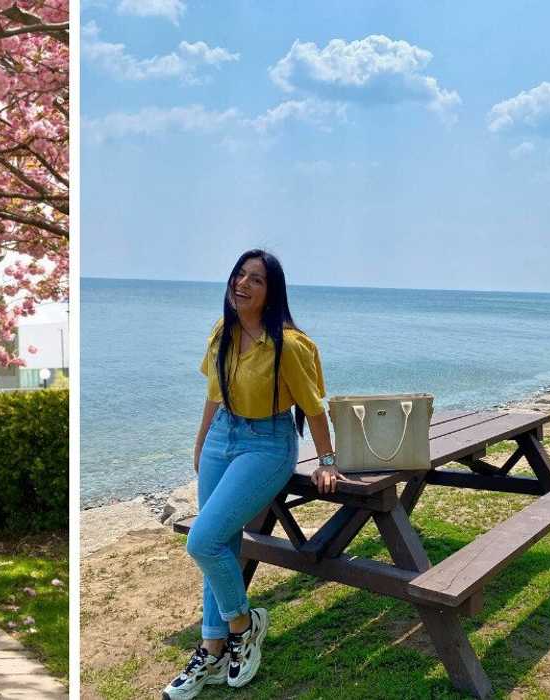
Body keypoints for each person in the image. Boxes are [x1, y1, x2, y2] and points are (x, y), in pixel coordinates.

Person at [163, 249, 342, 700]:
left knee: (201, 540)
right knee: (218, 542)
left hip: (267, 443)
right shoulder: (221, 333)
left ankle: (244, 625)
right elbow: (212, 394)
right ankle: (212, 648)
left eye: (256, 279)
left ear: (271, 292)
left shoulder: (288, 344)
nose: (243, 283)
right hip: (223, 436)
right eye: (239, 275)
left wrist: (325, 461)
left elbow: (313, 408)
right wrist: (201, 442)